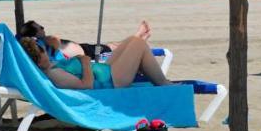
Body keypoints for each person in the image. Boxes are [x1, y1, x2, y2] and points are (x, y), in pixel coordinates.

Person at [19, 30, 170, 90]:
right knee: (138, 44)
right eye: (43, 51)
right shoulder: (54, 74)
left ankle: (156, 78)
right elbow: (86, 85)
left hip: (105, 72)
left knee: (132, 40)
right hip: (111, 81)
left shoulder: (51, 67)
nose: (46, 52)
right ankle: (163, 84)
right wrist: (84, 62)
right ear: (38, 61)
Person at [18, 19, 152, 59]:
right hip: (87, 55)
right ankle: (138, 38)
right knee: (115, 49)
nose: (43, 27)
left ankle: (137, 37)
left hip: (84, 48)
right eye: (40, 27)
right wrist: (43, 38)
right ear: (35, 34)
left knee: (111, 45)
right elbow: (56, 40)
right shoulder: (42, 44)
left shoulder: (41, 44)